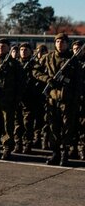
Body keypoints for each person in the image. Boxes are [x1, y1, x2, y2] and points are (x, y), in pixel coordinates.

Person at [33, 33, 83, 166]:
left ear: (67, 44)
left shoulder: (73, 61)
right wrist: (48, 79)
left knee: (67, 128)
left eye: (63, 42)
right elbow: (35, 71)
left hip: (68, 100)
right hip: (52, 99)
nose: (60, 44)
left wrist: (75, 99)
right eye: (58, 41)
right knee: (52, 127)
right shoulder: (47, 58)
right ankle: (55, 153)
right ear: (54, 43)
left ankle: (64, 154)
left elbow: (79, 83)